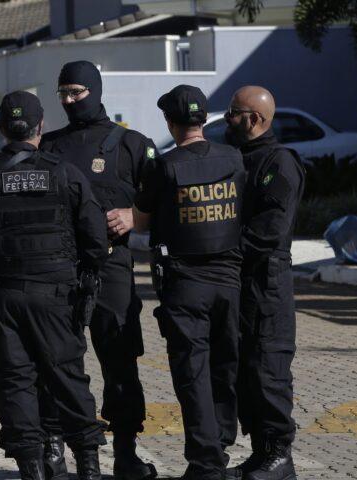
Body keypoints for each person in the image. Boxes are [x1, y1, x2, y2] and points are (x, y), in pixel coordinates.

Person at [0, 91, 108, 480]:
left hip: (2, 300)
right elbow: (96, 240)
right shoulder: (65, 173)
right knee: (68, 378)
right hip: (56, 297)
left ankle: (32, 470)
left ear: (1, 129)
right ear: (41, 127)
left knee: (14, 383)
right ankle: (89, 467)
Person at [38, 60, 158, 480]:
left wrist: (135, 217)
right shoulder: (48, 146)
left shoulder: (131, 144)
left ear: (96, 90)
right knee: (56, 362)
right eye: (63, 94)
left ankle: (126, 451)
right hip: (59, 271)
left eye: (77, 92)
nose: (70, 101)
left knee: (120, 361)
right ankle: (54, 451)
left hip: (112, 267)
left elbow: (165, 201)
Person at [133, 85, 246, 480]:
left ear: (171, 122)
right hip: (229, 282)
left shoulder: (164, 167)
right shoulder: (233, 158)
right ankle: (222, 444)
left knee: (193, 373)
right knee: (224, 367)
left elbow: (142, 219)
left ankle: (205, 462)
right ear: (202, 120)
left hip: (185, 283)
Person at [225, 86, 304, 480]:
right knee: (244, 370)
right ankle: (260, 453)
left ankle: (279, 454)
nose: (226, 120)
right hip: (237, 281)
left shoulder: (279, 162)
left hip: (267, 281)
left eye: (233, 113)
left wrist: (221, 248)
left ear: (255, 119)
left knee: (268, 368)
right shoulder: (234, 158)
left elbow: (270, 230)